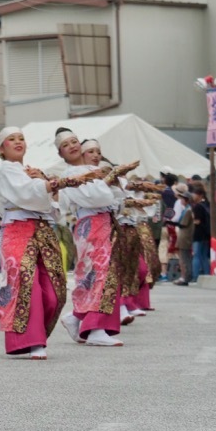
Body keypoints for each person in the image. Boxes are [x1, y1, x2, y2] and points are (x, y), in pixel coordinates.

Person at [0, 127, 97, 359]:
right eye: (11, 139)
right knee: (27, 285)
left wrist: (50, 185)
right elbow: (26, 193)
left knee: (53, 290)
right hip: (18, 231)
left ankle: (37, 336)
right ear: (1, 148)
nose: (18, 142)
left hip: (43, 231)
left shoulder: (32, 172)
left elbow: (52, 208)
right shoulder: (4, 170)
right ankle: (32, 342)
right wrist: (58, 183)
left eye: (21, 138)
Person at [54, 130, 126, 347]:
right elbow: (99, 197)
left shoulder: (92, 171)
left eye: (75, 141)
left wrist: (111, 186)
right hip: (92, 223)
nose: (73, 146)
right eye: (67, 145)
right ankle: (94, 328)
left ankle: (77, 317)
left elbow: (119, 199)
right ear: (61, 153)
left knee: (99, 273)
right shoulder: (70, 176)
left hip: (103, 222)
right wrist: (110, 186)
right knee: (99, 272)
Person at [171, 183, 195, 286]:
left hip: (185, 236)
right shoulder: (187, 209)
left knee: (185, 258)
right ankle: (185, 276)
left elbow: (182, 223)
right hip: (184, 235)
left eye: (183, 199)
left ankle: (186, 277)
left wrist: (171, 222)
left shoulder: (188, 210)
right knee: (184, 257)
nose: (181, 200)